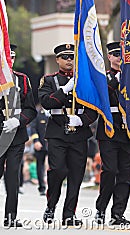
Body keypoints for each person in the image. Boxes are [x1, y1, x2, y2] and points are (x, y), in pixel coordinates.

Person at [0, 44, 37, 228]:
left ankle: (11, 215)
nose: (9, 60)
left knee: (13, 176)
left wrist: (18, 121)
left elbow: (31, 109)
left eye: (12, 56)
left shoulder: (22, 80)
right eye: (6, 56)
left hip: (15, 135)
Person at [38, 43, 97, 226]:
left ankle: (69, 214)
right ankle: (51, 205)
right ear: (57, 60)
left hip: (78, 133)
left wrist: (82, 120)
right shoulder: (49, 80)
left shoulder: (85, 81)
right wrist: (64, 90)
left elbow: (95, 107)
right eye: (65, 57)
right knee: (57, 170)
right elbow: (46, 102)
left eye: (72, 57)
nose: (69, 60)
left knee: (76, 175)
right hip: (57, 131)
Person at [94, 42, 130, 225]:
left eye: (122, 54)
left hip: (129, 133)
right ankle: (101, 208)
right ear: (109, 57)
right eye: (115, 54)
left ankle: (118, 213)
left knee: (125, 175)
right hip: (109, 131)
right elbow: (102, 95)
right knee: (110, 171)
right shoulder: (104, 78)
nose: (119, 58)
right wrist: (117, 79)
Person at [29, 103, 49, 196]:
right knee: (40, 165)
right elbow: (33, 128)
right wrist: (36, 141)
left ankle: (52, 185)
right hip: (40, 143)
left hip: (52, 144)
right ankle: (42, 187)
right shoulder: (38, 113)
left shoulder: (55, 112)